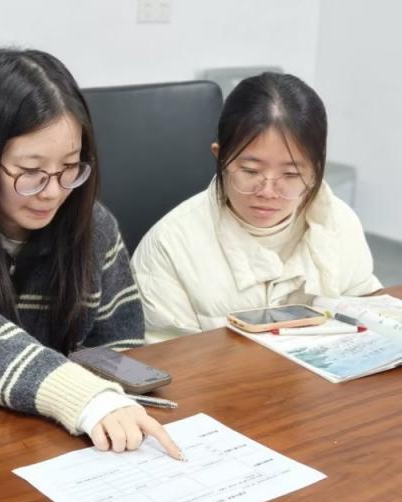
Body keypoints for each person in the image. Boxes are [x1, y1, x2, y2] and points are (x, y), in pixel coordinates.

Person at [0, 48, 182, 458]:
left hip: (59, 442)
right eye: (30, 172)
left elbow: (120, 347)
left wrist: (114, 399)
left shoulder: (93, 226)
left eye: (70, 167)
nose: (53, 192)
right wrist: (83, 397)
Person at [132, 72, 382, 343]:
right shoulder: (169, 247)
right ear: (220, 158)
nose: (267, 192)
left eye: (291, 174)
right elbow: (164, 359)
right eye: (250, 171)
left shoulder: (339, 222)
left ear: (316, 171)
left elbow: (369, 317)